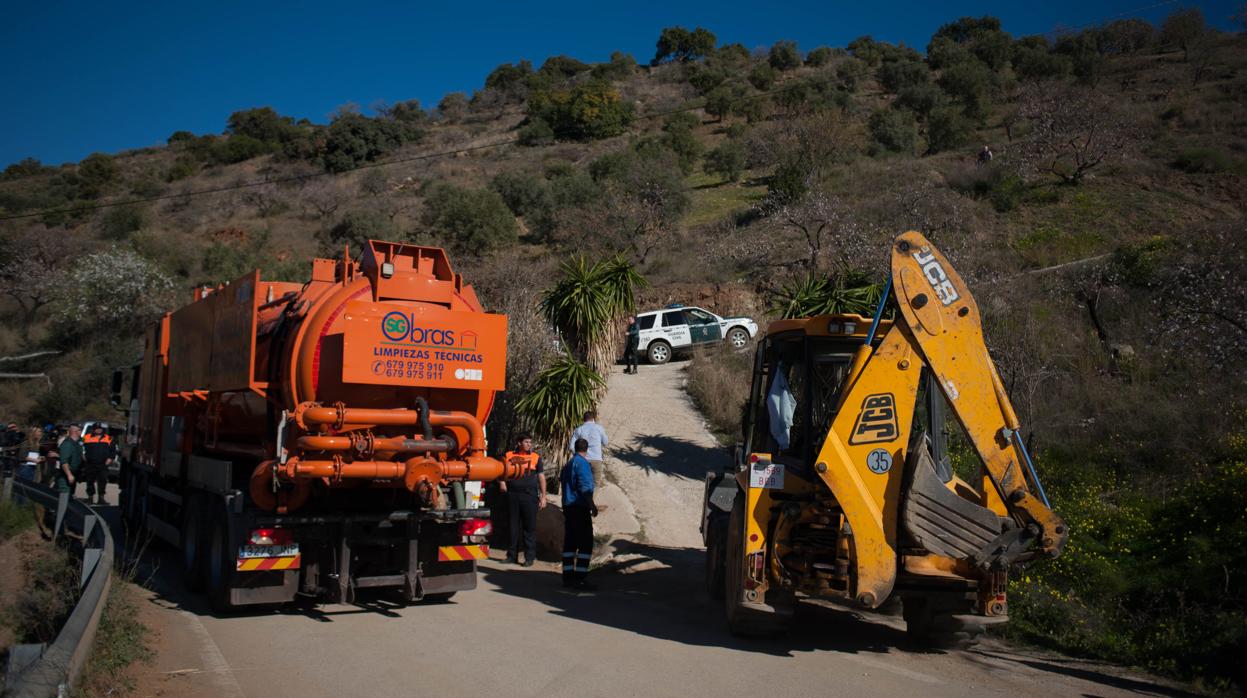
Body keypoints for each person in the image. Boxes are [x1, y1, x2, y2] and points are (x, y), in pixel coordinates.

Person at [499, 435, 545, 566]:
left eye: (530, 442)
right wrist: (502, 482)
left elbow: (541, 477)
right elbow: (500, 470)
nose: (529, 444)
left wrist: (543, 496)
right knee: (512, 526)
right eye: (526, 442)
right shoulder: (508, 455)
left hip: (529, 496)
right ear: (519, 443)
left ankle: (529, 558)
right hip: (513, 495)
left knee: (529, 527)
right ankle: (511, 556)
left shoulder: (536, 457)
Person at [561, 438, 598, 590]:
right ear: (587, 449)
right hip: (579, 507)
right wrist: (592, 505)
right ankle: (581, 578)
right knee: (585, 544)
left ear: (575, 448)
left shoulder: (569, 464)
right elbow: (585, 487)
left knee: (570, 543)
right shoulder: (583, 464)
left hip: (568, 507)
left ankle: (568, 577)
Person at [569, 411, 609, 487]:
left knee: (582, 483)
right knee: (596, 483)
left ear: (583, 419)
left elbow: (571, 446)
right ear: (593, 419)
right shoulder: (599, 428)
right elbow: (606, 442)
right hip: (596, 459)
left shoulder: (579, 429)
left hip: (583, 460)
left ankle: (583, 498)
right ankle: (591, 498)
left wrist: (578, 456)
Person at [82, 424, 116, 505]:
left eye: (100, 429)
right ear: (94, 430)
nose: (99, 430)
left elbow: (113, 450)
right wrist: (83, 456)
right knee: (90, 481)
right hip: (90, 463)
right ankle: (90, 498)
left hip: (103, 464)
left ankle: (101, 499)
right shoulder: (87, 437)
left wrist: (110, 459)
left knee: (102, 481)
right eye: (97, 429)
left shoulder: (108, 438)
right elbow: (80, 447)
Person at [56, 424, 83, 497]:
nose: (81, 431)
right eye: (80, 430)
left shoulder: (78, 443)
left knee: (70, 494)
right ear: (74, 431)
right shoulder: (67, 444)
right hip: (65, 475)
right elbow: (64, 462)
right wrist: (69, 475)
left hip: (74, 473)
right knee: (64, 493)